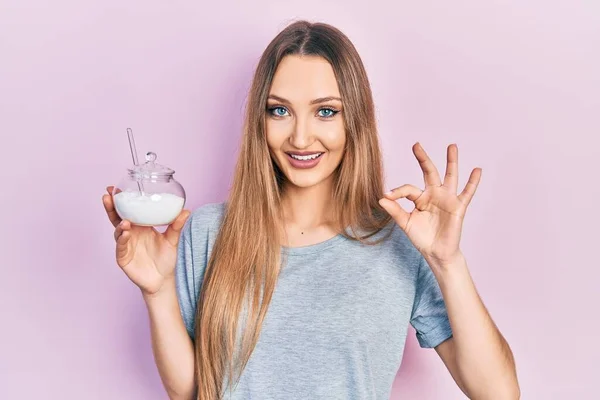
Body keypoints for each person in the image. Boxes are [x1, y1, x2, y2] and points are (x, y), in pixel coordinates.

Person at [102, 20, 519, 400]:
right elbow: (193, 392)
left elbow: (499, 394)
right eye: (279, 110)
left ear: (354, 119)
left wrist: (448, 262)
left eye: (325, 111)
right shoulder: (207, 232)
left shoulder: (398, 244)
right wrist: (156, 292)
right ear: (259, 120)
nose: (301, 137)